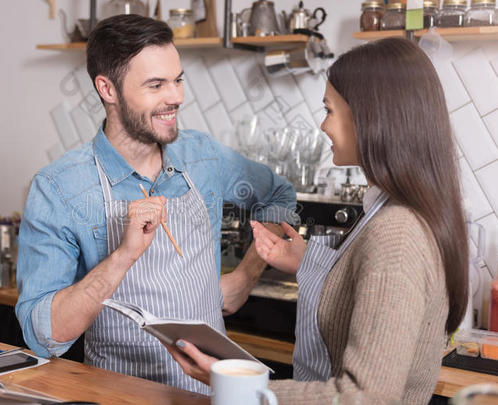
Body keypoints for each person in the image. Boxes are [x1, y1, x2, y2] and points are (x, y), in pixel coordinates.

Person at [165, 37, 469, 405]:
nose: (323, 125)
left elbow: (366, 396)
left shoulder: (397, 232)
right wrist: (307, 260)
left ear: (368, 116)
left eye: (329, 110)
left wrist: (232, 386)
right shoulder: (399, 212)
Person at [15, 14, 298, 395]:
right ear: (108, 89)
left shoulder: (203, 158)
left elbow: (279, 196)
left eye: (178, 79)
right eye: (156, 85)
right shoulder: (60, 188)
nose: (176, 97)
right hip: (120, 395)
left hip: (209, 396)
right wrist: (123, 256)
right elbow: (43, 336)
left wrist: (246, 277)